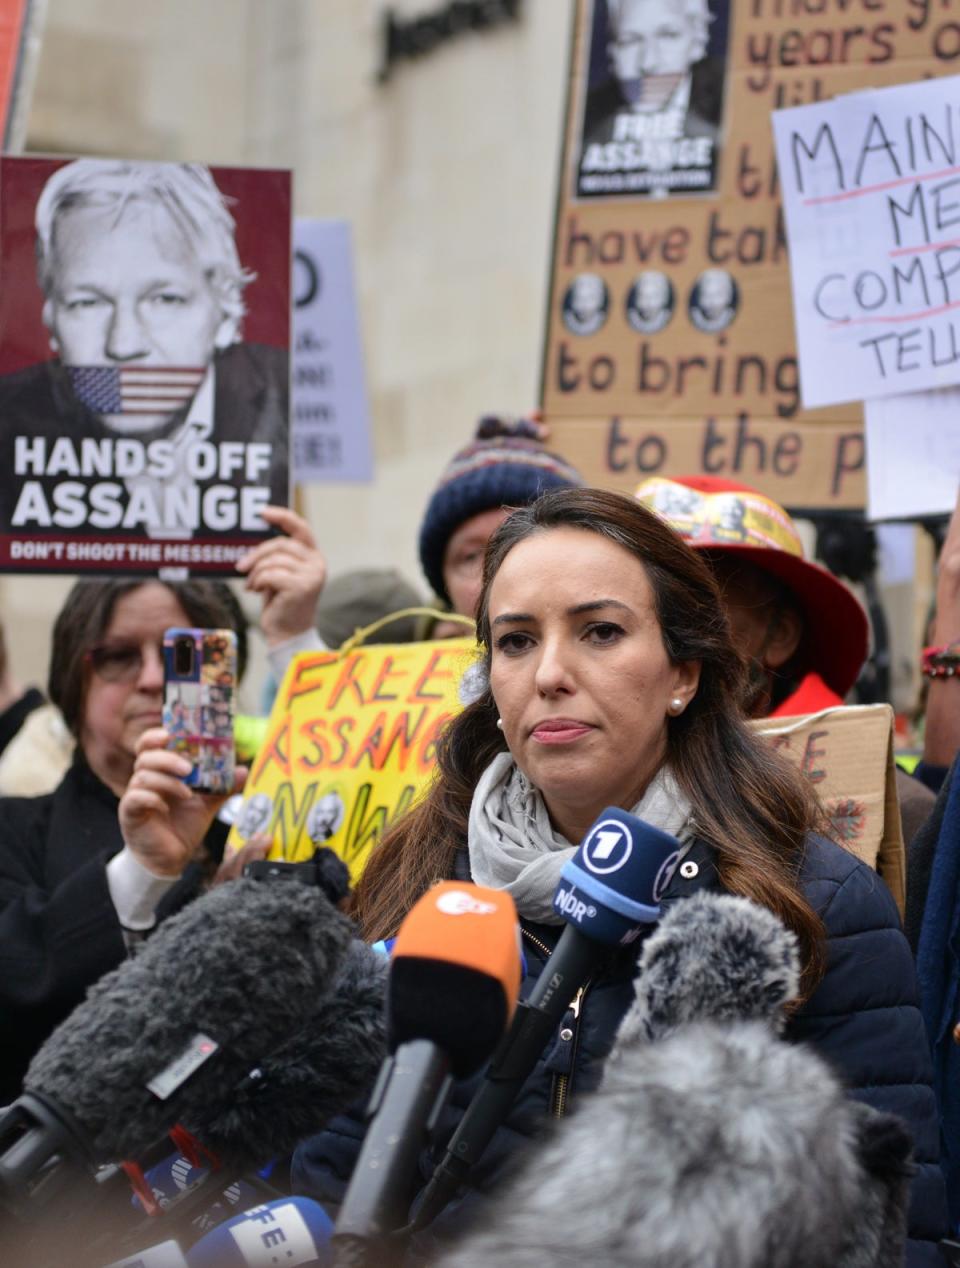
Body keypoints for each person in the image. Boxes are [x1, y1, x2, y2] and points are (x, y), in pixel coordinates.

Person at [259, 488, 940, 1262]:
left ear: (683, 673)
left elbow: (897, 1233)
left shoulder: (811, 904)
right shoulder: (414, 882)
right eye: (515, 642)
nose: (549, 673)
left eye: (601, 632)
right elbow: (325, 1185)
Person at [0, 577, 248, 1102]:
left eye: (181, 653)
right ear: (74, 676)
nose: (155, 679)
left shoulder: (261, 825)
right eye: (118, 656)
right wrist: (141, 870)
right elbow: (16, 989)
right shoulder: (12, 830)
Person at [634, 475, 937, 845]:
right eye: (612, 624)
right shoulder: (570, 784)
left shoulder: (888, 809)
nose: (659, 640)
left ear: (780, 636)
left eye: (697, 612)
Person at [0, 158, 288, 538]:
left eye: (164, 299)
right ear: (51, 318)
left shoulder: (284, 396)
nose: (123, 343)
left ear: (224, 309)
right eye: (88, 303)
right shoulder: (10, 421)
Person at [578, 0, 727, 198]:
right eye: (630, 40)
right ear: (612, 52)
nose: (648, 62)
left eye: (667, 36)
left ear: (697, 42)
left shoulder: (729, 101)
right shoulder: (589, 120)